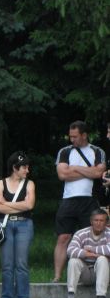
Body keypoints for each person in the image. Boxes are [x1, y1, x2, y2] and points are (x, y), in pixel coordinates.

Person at [53, 121, 107, 283]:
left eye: (75, 136)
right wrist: (89, 171)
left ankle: (88, 275)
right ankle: (57, 276)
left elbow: (98, 173)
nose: (72, 139)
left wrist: (75, 168)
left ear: (84, 135)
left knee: (89, 238)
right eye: (70, 136)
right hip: (68, 200)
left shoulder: (97, 151)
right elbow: (62, 174)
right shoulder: (64, 151)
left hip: (89, 200)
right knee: (63, 237)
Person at [0, 151, 36, 298]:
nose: (27, 170)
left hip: (24, 224)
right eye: (24, 167)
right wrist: (19, 205)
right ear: (15, 168)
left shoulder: (29, 184)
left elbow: (29, 205)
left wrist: (6, 203)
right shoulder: (0, 184)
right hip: (5, 225)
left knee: (21, 263)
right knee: (7, 264)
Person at [64, 209, 110, 298]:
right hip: (86, 273)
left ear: (106, 222)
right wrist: (89, 254)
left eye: (101, 220)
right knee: (73, 261)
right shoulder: (81, 233)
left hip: (104, 273)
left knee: (102, 259)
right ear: (91, 221)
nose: (98, 223)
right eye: (96, 220)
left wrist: (91, 249)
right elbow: (70, 250)